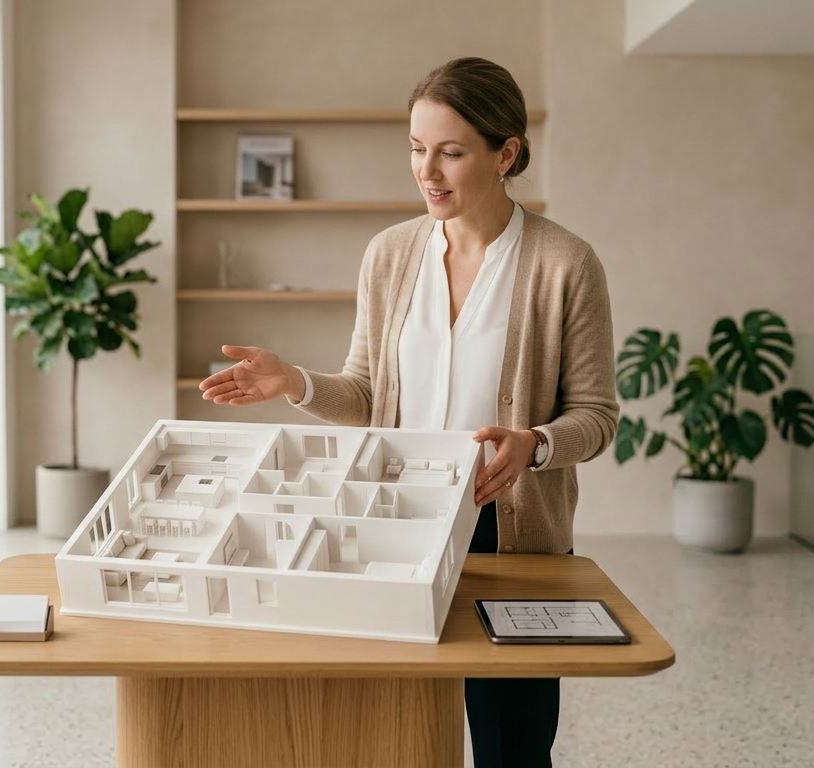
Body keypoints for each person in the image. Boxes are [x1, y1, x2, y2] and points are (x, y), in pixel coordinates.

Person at [198, 56, 618, 768]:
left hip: (507, 534)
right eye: (418, 150)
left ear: (506, 152)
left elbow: (597, 415)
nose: (429, 171)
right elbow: (367, 393)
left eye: (452, 152)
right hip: (392, 523)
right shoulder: (389, 255)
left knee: (512, 746)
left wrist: (534, 443)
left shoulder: (565, 264)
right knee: (388, 733)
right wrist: (293, 382)